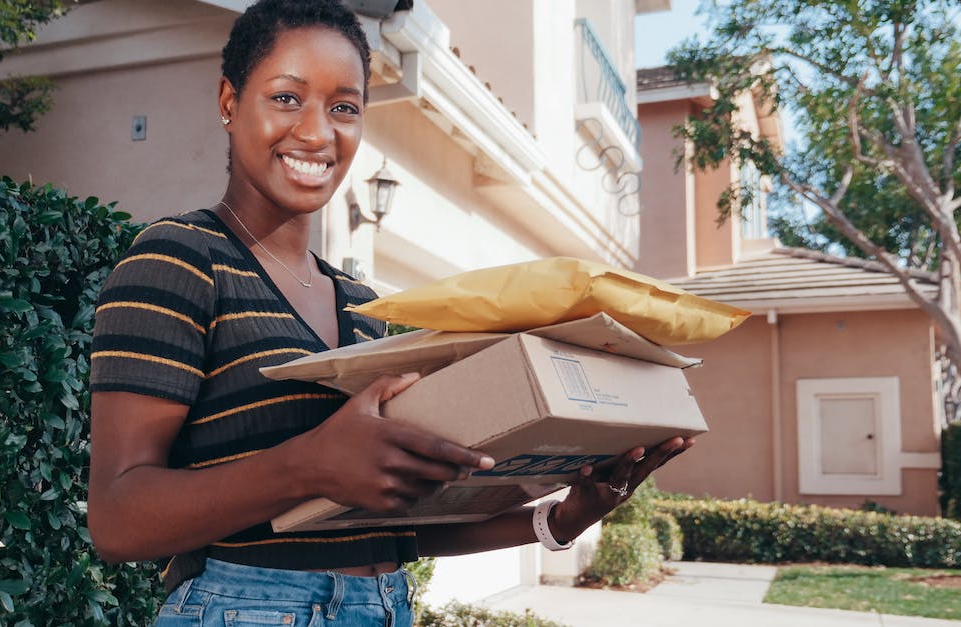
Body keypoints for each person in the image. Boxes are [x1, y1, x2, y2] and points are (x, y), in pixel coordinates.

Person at [86, 1, 694, 625]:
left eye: (344, 107)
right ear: (229, 102)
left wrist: (561, 518)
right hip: (246, 607)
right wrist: (306, 465)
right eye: (287, 98)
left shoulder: (361, 306)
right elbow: (117, 520)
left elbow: (390, 528)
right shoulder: (180, 261)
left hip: (383, 606)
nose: (317, 133)